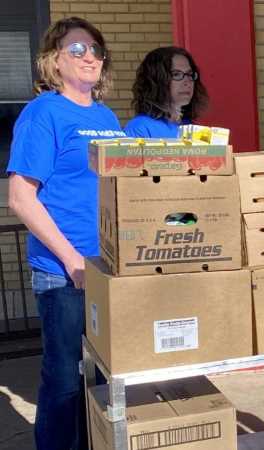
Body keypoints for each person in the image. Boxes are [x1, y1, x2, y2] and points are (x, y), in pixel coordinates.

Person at [7, 17, 123, 450]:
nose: (89, 56)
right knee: (64, 380)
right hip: (64, 273)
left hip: (106, 267)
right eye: (77, 49)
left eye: (95, 49)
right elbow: (21, 198)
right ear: (54, 61)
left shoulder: (107, 116)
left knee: (101, 379)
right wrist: (73, 260)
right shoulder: (43, 113)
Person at [124, 46, 208, 138]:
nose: (187, 82)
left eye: (190, 74)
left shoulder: (191, 128)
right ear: (156, 81)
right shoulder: (139, 129)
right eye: (176, 74)